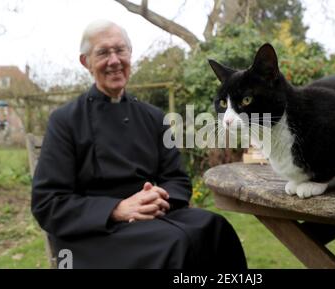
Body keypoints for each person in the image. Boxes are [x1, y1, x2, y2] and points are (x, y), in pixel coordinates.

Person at [31, 19, 247, 269]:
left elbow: (177, 180)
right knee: (176, 244)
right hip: (90, 235)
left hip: (151, 220)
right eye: (103, 52)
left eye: (120, 50)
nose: (114, 60)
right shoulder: (65, 120)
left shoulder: (153, 117)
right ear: (86, 62)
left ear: (130, 55)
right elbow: (47, 203)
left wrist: (157, 198)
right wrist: (117, 209)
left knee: (216, 229)